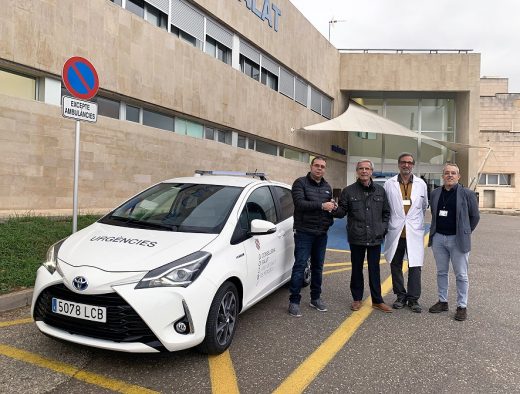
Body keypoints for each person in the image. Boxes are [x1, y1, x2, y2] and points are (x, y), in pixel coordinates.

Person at [334, 159, 392, 313]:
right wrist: (333, 208)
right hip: (357, 237)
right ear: (357, 171)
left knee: (375, 270)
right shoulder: (348, 191)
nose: (364, 171)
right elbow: (341, 212)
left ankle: (377, 301)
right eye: (361, 168)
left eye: (367, 168)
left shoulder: (380, 191)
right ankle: (357, 299)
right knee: (356, 269)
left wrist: (382, 228)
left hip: (374, 237)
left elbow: (386, 212)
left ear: (371, 171)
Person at [428, 163, 480, 321]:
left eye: (453, 173)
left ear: (458, 176)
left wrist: (466, 231)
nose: (450, 175)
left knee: (461, 275)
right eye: (447, 173)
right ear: (442, 176)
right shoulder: (435, 193)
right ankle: (442, 301)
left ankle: (462, 306)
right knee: (441, 272)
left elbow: (475, 216)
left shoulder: (467, 194)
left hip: (458, 239)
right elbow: (434, 212)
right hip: (439, 238)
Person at [288, 156, 336, 317]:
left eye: (322, 166)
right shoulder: (300, 183)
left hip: (321, 234)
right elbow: (300, 204)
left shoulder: (327, 187)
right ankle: (294, 301)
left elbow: (329, 208)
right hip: (304, 232)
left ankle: (315, 298)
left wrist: (332, 210)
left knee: (318, 267)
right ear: (311, 166)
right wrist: (322, 206)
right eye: (317, 165)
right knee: (300, 266)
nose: (319, 168)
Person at [384, 153, 428, 313]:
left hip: (413, 232)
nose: (406, 165)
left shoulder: (421, 184)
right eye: (403, 162)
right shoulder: (389, 184)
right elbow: (386, 207)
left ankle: (413, 299)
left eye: (409, 163)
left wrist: (414, 223)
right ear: (398, 164)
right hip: (396, 231)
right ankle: (400, 296)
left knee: (415, 265)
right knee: (395, 265)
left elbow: (424, 206)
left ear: (413, 165)